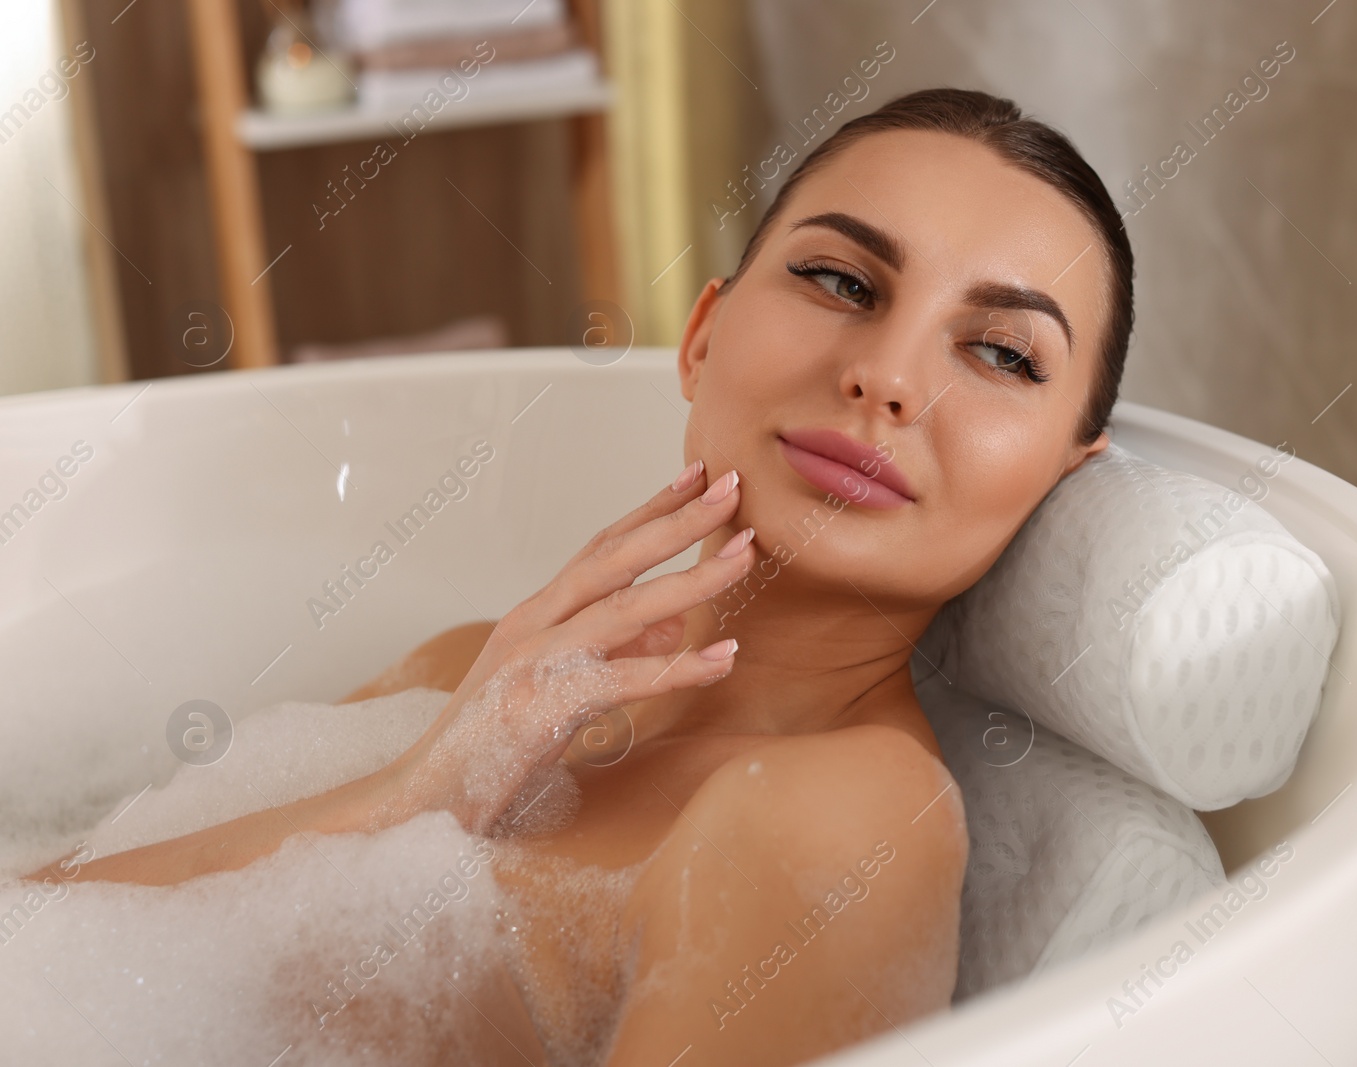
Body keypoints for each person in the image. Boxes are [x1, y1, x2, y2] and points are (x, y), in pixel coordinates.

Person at [31, 86, 1135, 1066]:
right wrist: (419, 789)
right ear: (700, 337)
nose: (887, 375)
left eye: (1002, 354)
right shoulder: (472, 670)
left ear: (1062, 475)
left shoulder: (840, 815)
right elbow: (39, 937)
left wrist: (419, 793)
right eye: (841, 279)